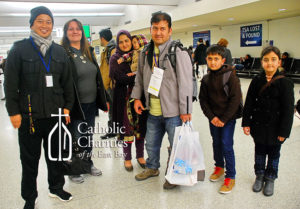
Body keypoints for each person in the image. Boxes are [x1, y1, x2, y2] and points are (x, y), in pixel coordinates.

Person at [4, 6, 74, 209]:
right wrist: (14, 112)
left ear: (53, 25)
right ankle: (29, 197)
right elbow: (10, 85)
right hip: (29, 117)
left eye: (48, 22)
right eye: (40, 21)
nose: (45, 25)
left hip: (55, 115)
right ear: (32, 24)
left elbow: (68, 83)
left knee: (56, 156)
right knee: (29, 160)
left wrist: (67, 107)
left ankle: (56, 188)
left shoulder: (60, 52)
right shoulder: (19, 50)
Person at [131, 12, 193, 189]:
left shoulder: (178, 51)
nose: (158, 32)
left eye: (162, 29)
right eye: (155, 28)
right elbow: (139, 78)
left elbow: (186, 83)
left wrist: (186, 109)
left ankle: (176, 175)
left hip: (174, 111)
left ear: (170, 30)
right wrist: (136, 98)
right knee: (151, 144)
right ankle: (152, 167)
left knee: (176, 146)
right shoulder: (145, 52)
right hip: (153, 110)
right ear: (150, 29)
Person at [242, 46, 294, 196]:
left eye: (273, 59)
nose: (269, 63)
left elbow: (288, 110)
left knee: (274, 153)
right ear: (261, 62)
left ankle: (270, 178)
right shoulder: (257, 80)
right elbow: (249, 103)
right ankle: (259, 176)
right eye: (266, 60)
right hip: (258, 126)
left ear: (279, 62)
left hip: (276, 128)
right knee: (259, 151)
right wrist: (246, 123)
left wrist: (284, 132)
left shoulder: (285, 83)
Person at [61, 19, 108, 183]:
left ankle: (87, 164)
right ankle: (74, 169)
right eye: (71, 29)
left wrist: (104, 98)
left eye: (78, 29)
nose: (75, 32)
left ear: (82, 32)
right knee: (76, 138)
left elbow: (98, 77)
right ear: (66, 33)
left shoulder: (88, 51)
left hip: (91, 104)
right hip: (75, 106)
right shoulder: (63, 53)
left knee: (88, 136)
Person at [199, 44, 242, 194]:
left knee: (226, 144)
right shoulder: (205, 79)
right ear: (206, 59)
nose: (213, 62)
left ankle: (230, 176)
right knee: (216, 142)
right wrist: (212, 117)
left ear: (223, 60)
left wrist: (223, 119)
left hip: (228, 118)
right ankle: (219, 167)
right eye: (210, 59)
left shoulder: (230, 76)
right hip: (214, 119)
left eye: (216, 59)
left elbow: (235, 99)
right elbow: (203, 100)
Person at [109, 30, 147, 171]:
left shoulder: (140, 54)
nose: (124, 44)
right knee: (127, 128)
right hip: (123, 99)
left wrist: (136, 75)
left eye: (127, 40)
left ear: (132, 41)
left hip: (140, 97)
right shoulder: (115, 58)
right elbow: (120, 78)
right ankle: (127, 158)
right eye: (121, 41)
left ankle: (140, 156)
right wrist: (139, 76)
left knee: (140, 127)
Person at [99, 28, 117, 139]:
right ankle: (114, 130)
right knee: (113, 109)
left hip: (112, 85)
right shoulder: (109, 49)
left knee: (113, 110)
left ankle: (113, 131)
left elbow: (112, 69)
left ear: (102, 38)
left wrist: (108, 85)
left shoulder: (112, 50)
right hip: (110, 84)